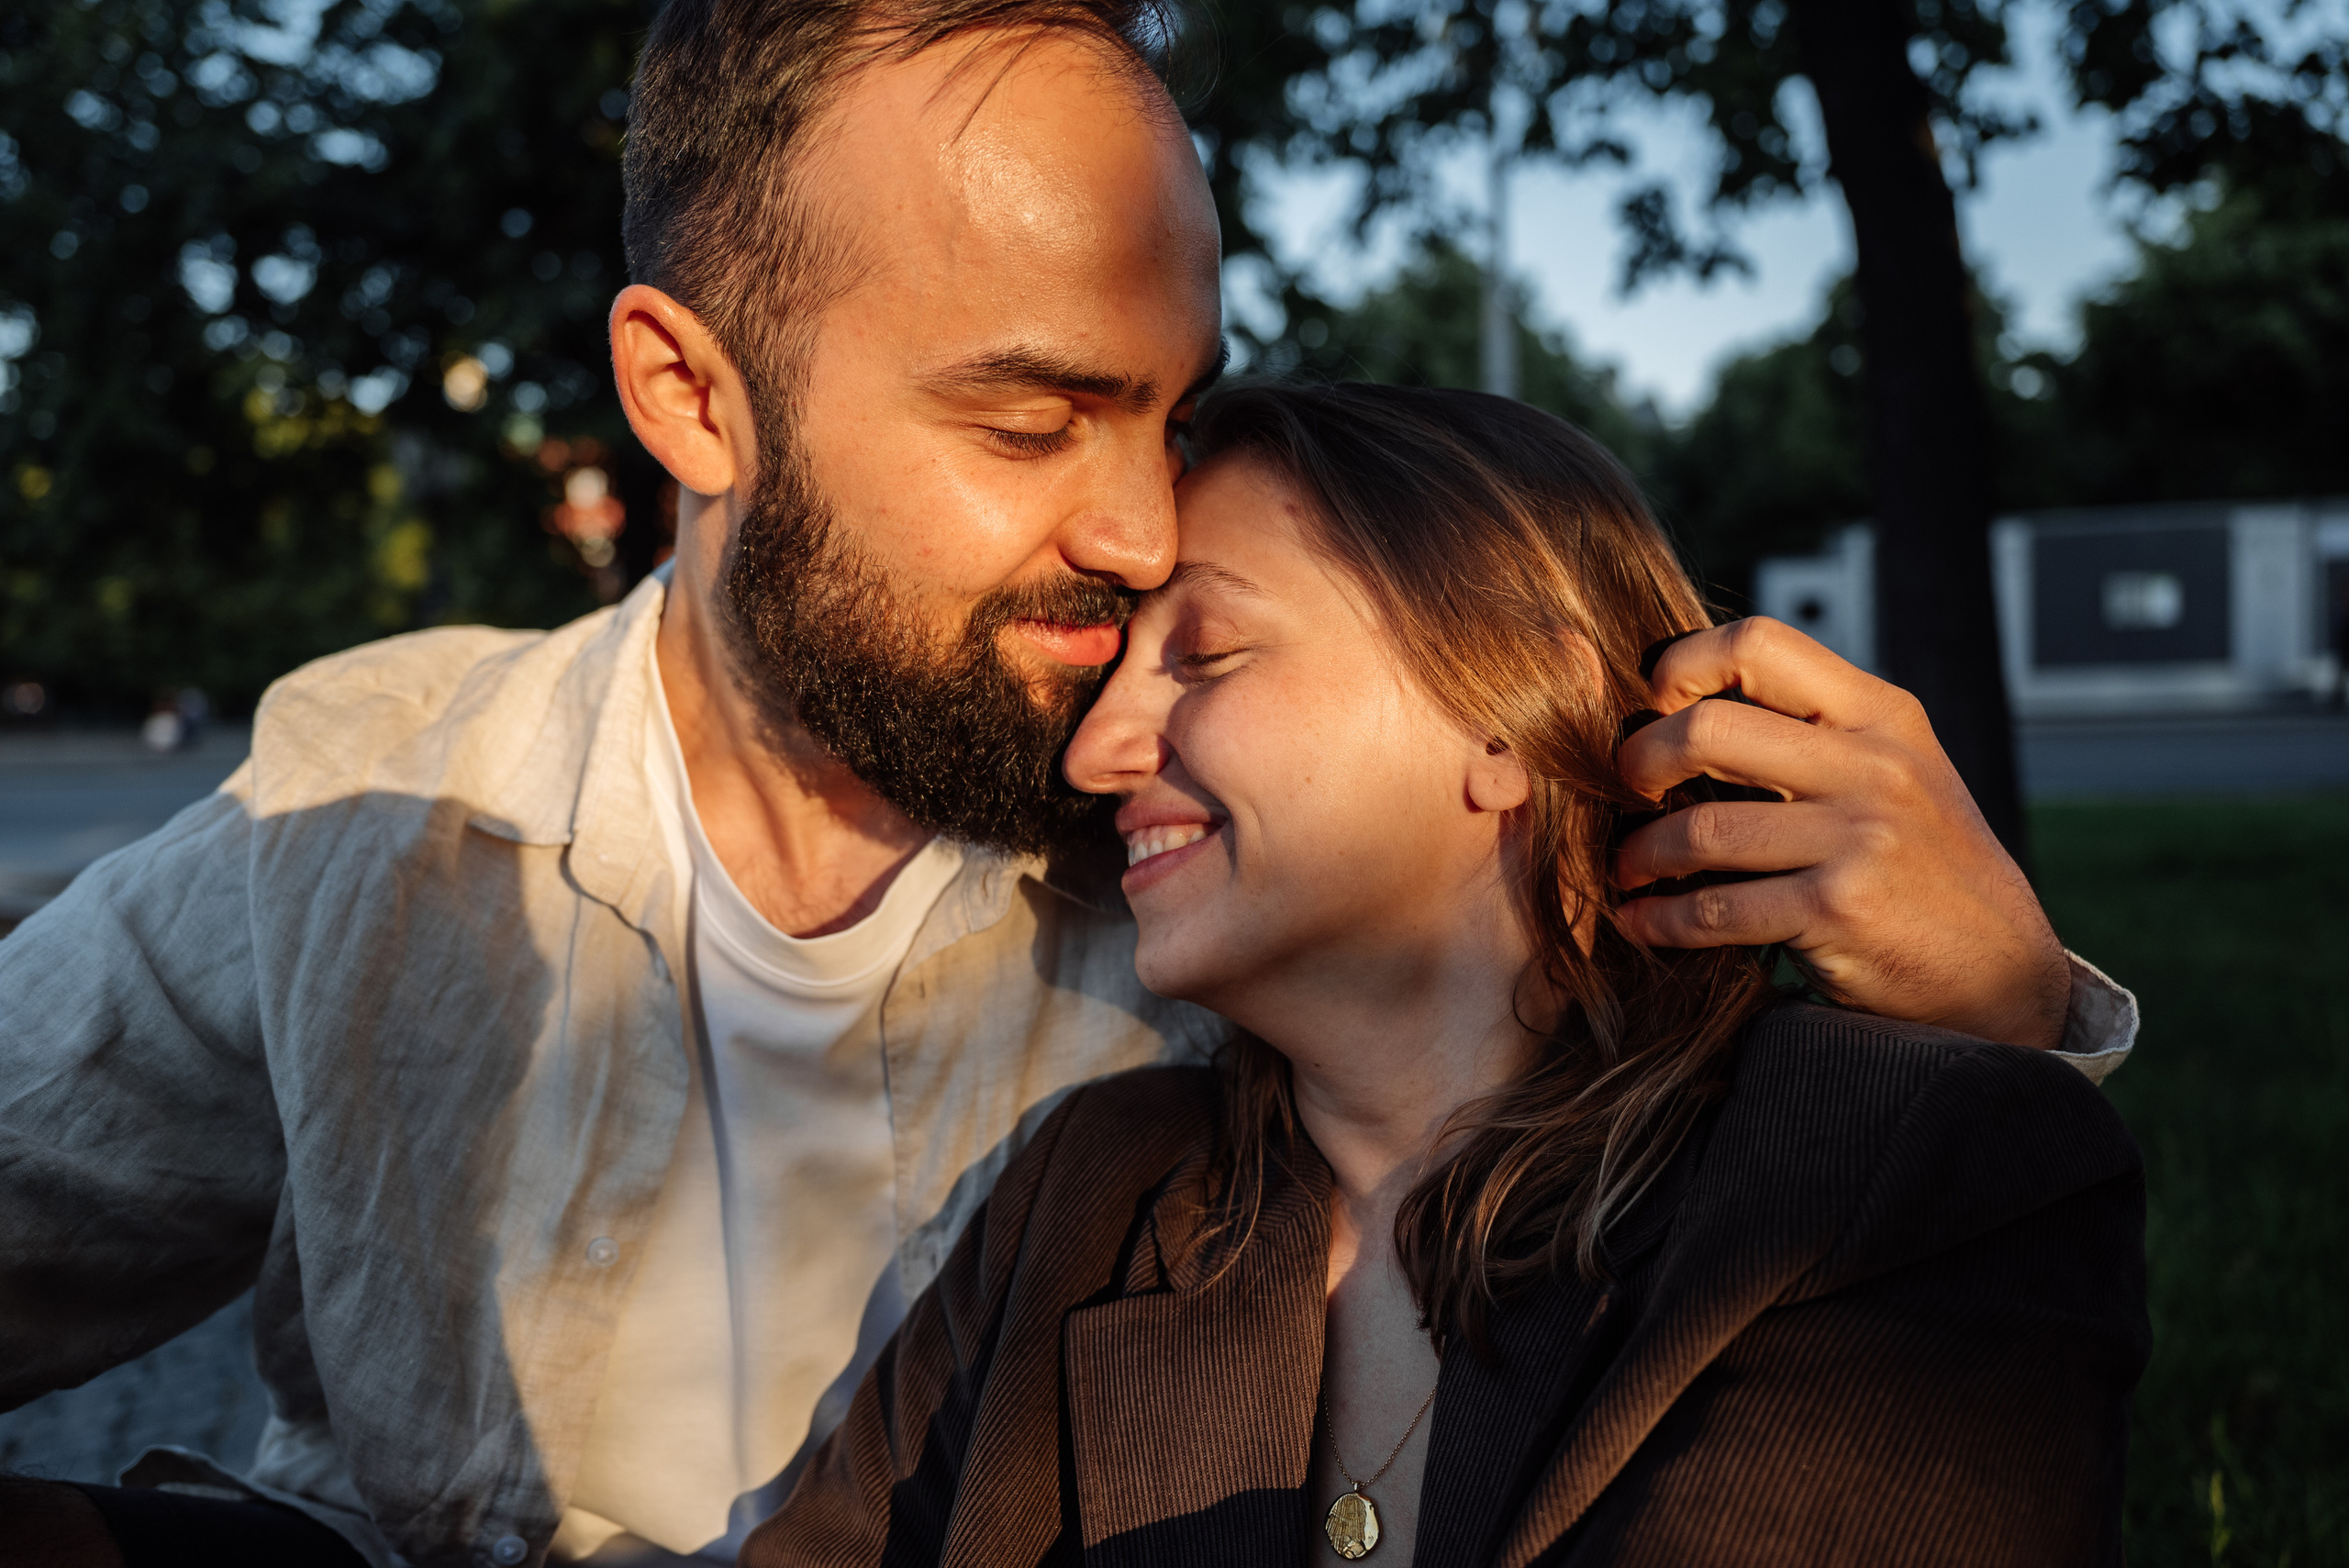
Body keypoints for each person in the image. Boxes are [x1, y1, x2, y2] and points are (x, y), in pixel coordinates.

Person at [0, 5, 2132, 1566]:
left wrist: (2000, 1016)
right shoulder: (366, 831)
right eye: (1030, 423)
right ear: (687, 394)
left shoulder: (1230, 889)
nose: (1138, 531)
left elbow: (1684, 1186)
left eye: (1171, 410)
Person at [745, 384, 2148, 1568]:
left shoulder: (1881, 1174)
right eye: (1116, 675)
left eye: (1207, 654)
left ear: (1503, 706)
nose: (1096, 749)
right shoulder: (1085, 1191)